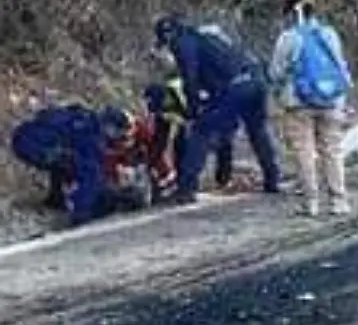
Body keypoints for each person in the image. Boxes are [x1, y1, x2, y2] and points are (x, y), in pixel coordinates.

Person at [156, 13, 282, 204]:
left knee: (201, 132)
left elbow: (190, 76)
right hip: (256, 80)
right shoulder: (209, 36)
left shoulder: (182, 42)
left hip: (234, 86)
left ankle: (186, 190)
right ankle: (272, 179)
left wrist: (193, 108)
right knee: (257, 130)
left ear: (167, 36)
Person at [269, 0, 354, 217]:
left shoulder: (288, 37)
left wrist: (277, 92)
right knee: (332, 150)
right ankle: (339, 201)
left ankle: (311, 203)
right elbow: (340, 65)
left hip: (299, 103)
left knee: (304, 152)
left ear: (291, 14)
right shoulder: (329, 33)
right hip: (332, 100)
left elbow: (275, 72)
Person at [9, 104, 151, 226]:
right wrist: (83, 210)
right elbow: (91, 174)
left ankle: (56, 200)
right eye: (121, 136)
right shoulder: (91, 135)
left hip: (23, 138)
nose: (120, 140)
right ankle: (79, 212)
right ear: (112, 128)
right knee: (88, 170)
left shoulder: (85, 121)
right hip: (36, 145)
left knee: (67, 162)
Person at [143, 77, 232, 199]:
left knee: (220, 142)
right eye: (158, 108)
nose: (163, 109)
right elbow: (159, 140)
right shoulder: (160, 109)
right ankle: (184, 185)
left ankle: (223, 179)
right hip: (189, 121)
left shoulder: (184, 90)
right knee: (180, 145)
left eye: (163, 104)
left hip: (215, 108)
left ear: (167, 96)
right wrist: (149, 165)